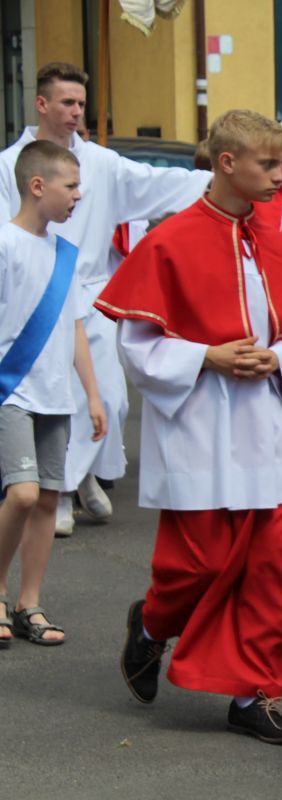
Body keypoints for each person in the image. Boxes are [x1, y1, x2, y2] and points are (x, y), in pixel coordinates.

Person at [100, 109, 282, 743]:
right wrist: (205, 356)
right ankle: (151, 626)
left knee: (270, 572)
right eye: (270, 164)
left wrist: (280, 358)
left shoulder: (277, 243)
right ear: (227, 163)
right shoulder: (170, 241)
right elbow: (137, 344)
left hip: (265, 425)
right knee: (197, 564)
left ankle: (253, 695)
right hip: (198, 422)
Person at [0, 62, 211, 537]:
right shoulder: (10, 164)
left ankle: (82, 475)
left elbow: (154, 183)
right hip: (34, 299)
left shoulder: (101, 163)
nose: (76, 111)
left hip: (92, 295)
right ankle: (61, 492)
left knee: (111, 401)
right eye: (67, 102)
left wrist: (211, 182)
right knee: (53, 398)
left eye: (81, 103)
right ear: (41, 104)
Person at [0, 141, 105, 647]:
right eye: (71, 185)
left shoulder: (66, 254)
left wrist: (93, 395)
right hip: (11, 391)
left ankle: (29, 603)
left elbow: (75, 327)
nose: (78, 195)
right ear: (37, 186)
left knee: (46, 500)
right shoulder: (4, 243)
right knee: (20, 494)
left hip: (56, 395)